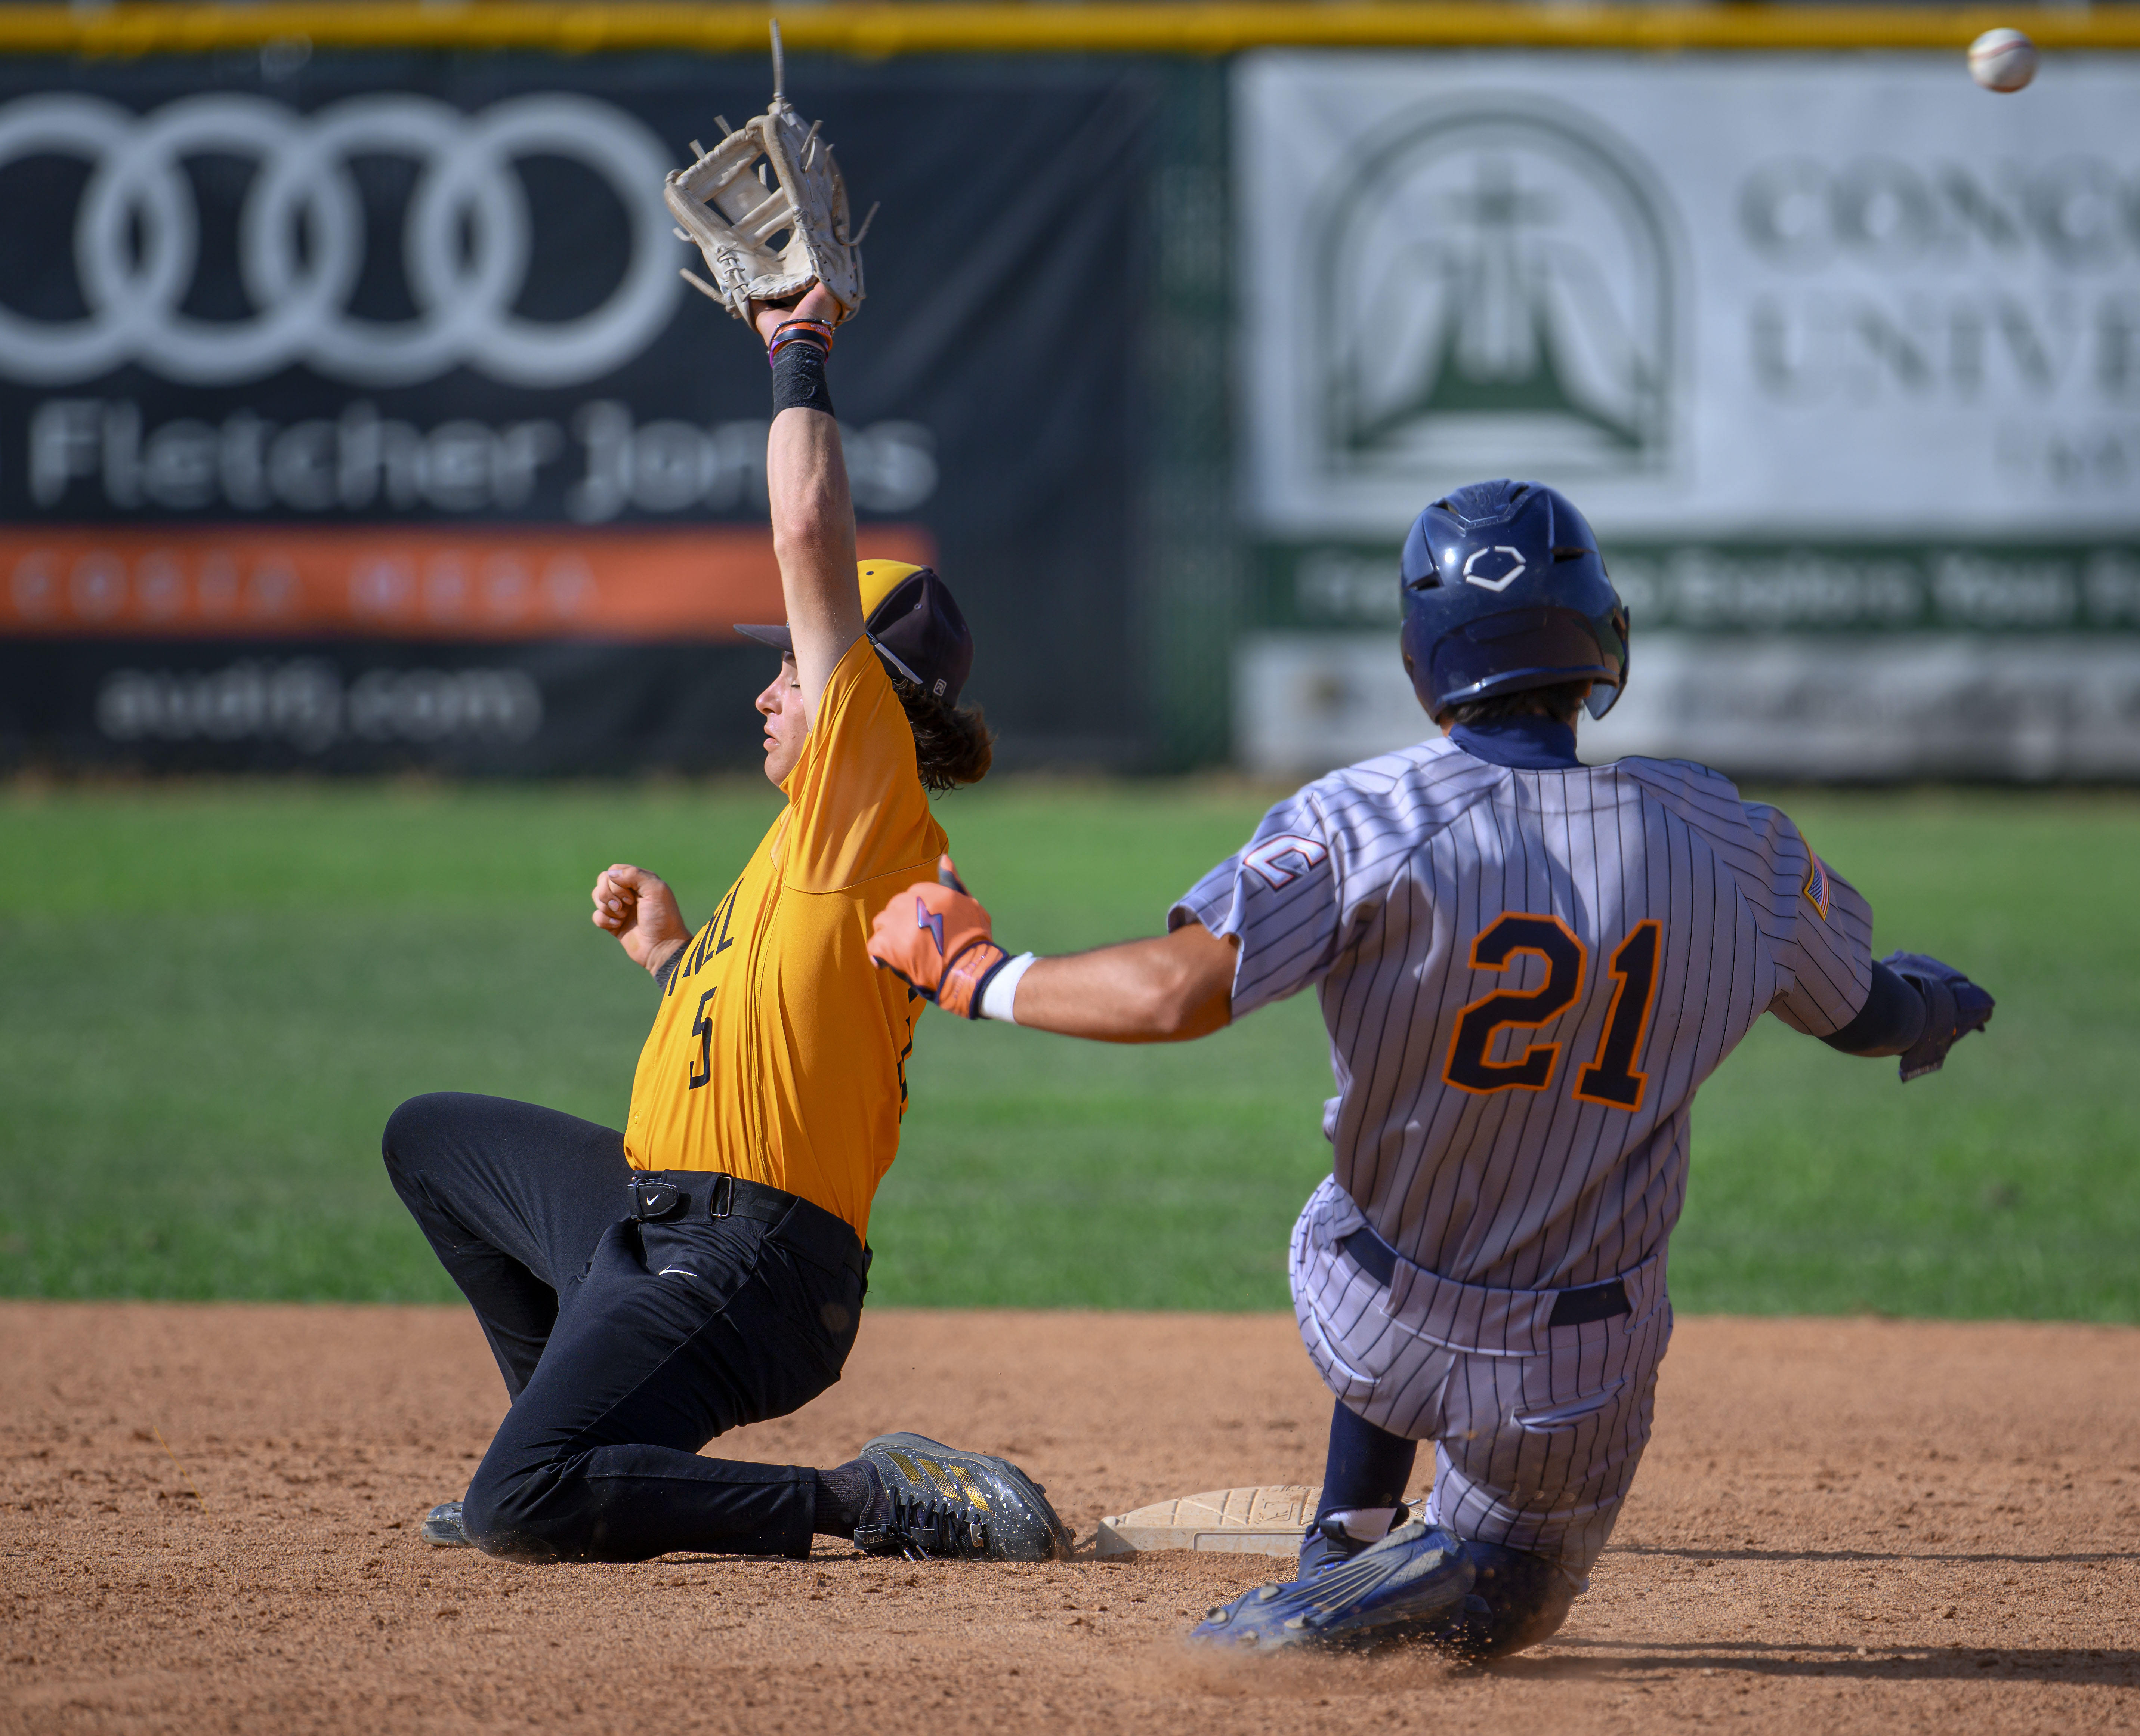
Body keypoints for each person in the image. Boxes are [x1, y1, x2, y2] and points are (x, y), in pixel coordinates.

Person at [866, 478, 1992, 1655]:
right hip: (1570, 1373)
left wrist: (974, 973)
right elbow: (1863, 1013)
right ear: (1602, 637)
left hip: (1369, 1308)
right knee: (1515, 1597)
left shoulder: (1368, 815)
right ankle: (1425, 1583)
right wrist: (1933, 1010)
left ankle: (1345, 1536)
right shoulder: (1731, 839)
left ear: (1422, 663)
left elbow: (1172, 994)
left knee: (1361, 1184)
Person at [382, 283, 1070, 1567]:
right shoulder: (809, 843)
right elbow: (767, 1036)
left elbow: (810, 526)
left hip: (758, 1266)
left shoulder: (872, 795)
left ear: (871, 695)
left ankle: (869, 1499)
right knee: (433, 1141)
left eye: (792, 668)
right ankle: (568, 1442)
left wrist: (795, 351)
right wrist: (669, 956)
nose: (764, 689)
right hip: (666, 1217)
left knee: (516, 1513)